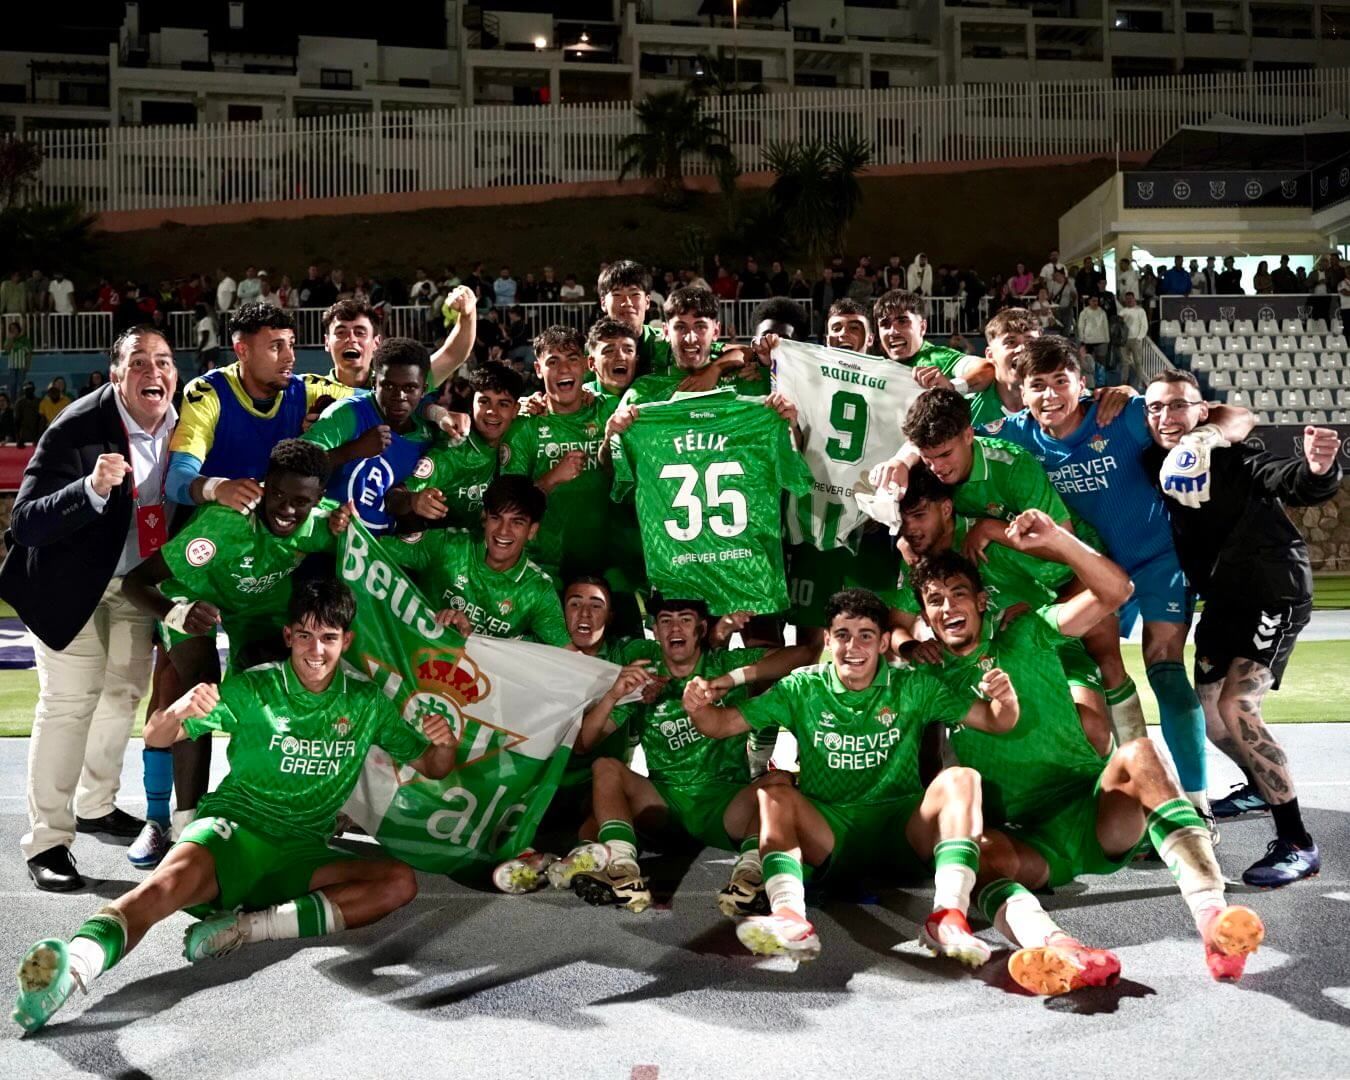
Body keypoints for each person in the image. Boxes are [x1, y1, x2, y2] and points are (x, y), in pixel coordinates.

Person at [12, 579, 457, 1034]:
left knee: (398, 883)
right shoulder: (252, 689)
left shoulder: (366, 703)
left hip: (303, 845)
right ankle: (68, 973)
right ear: (289, 637)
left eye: (328, 637)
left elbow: (433, 765)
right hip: (234, 828)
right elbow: (157, 738)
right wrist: (176, 711)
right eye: (305, 635)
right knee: (159, 891)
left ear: (346, 640)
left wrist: (444, 745)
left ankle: (248, 928)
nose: (316, 650)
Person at [913, 541, 1265, 993]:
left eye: (959, 593)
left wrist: (1055, 540)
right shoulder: (928, 679)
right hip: (1024, 838)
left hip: (1091, 810)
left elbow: (1116, 591)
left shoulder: (1030, 632)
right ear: (925, 617)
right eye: (935, 601)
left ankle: (1212, 917)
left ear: (982, 601)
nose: (948, 607)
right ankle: (1060, 948)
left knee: (1138, 753)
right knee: (977, 852)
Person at [985, 337, 1256, 823]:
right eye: (1037, 387)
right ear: (1020, 393)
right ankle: (1131, 791)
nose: (1049, 396)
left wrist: (1199, 438)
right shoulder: (1014, 435)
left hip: (1156, 561)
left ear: (1082, 383)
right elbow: (950, 441)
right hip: (1088, 573)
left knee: (1164, 667)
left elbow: (1236, 416)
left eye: (1060, 383)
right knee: (1099, 671)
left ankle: (1196, 804)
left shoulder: (1122, 414)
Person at [682, 588, 1018, 962]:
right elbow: (721, 724)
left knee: (962, 778)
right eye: (842, 635)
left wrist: (1005, 700)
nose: (852, 647)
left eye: (866, 636)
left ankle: (947, 916)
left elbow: (995, 720)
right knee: (773, 793)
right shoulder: (801, 688)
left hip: (902, 832)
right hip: (830, 836)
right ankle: (790, 916)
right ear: (827, 640)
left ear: (884, 642)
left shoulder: (914, 686)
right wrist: (697, 708)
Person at [1144, 371, 1342, 886]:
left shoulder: (1232, 455)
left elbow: (1286, 477)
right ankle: (1260, 784)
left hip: (1272, 589)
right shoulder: (1152, 460)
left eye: (1178, 407)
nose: (1166, 418)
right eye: (1156, 408)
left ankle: (1298, 841)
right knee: (1210, 717)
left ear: (1201, 411)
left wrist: (1319, 468)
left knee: (1238, 705)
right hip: (1223, 601)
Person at [0, 326, 178, 891]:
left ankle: (96, 803)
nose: (155, 371)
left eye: (165, 361)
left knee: (124, 692)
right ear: (117, 376)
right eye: (140, 362)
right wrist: (92, 489)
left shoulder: (187, 425)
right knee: (69, 703)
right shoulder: (78, 423)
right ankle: (48, 842)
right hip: (66, 584)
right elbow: (23, 522)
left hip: (133, 582)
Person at [121, 439, 350, 863]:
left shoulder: (324, 523)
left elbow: (370, 550)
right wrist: (174, 614)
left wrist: (352, 523)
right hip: (192, 600)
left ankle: (272, 810)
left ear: (319, 500)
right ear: (265, 484)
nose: (286, 509)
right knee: (200, 688)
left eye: (301, 501)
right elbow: (134, 583)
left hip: (259, 612)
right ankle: (183, 824)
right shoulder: (224, 523)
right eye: (277, 494)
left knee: (286, 690)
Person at [548, 596, 819, 914]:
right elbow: (584, 743)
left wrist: (733, 679)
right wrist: (614, 695)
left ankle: (750, 876)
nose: (675, 628)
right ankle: (622, 870)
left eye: (685, 620)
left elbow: (801, 655)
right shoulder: (646, 677)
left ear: (701, 629)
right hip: (665, 805)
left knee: (778, 781)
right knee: (605, 768)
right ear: (656, 631)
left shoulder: (721, 665)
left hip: (724, 806)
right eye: (665, 621)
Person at [166, 303, 353, 512]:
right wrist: (217, 488)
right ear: (243, 351)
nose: (290, 357)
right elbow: (177, 478)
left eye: (291, 345)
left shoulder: (308, 389)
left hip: (279, 526)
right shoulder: (208, 393)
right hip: (217, 529)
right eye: (276, 347)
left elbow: (377, 401)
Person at [380, 475, 569, 646]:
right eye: (496, 518)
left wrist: (473, 637)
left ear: (532, 531)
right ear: (484, 518)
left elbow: (569, 658)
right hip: (413, 660)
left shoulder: (538, 591)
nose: (503, 531)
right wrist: (349, 523)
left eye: (517, 522)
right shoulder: (448, 545)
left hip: (478, 681)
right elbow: (372, 547)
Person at [303, 338, 441, 533]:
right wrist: (352, 450)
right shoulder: (347, 414)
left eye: (409, 388)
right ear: (374, 382)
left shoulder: (427, 436)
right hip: (329, 546)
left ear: (423, 390)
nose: (399, 396)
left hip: (385, 556)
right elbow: (296, 467)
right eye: (389, 386)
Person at [391, 363, 530, 532]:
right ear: (472, 403)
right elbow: (393, 497)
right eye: (484, 401)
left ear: (516, 409)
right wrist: (413, 500)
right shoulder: (452, 449)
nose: (492, 412)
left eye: (503, 404)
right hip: (452, 553)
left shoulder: (522, 430)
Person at [871, 289, 996, 419]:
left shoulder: (938, 357)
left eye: (902, 321)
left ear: (922, 327)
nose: (893, 331)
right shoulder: (878, 367)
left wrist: (952, 387)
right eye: (885, 324)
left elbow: (987, 369)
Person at [1076, 295, 1112, 388]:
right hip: (1089, 342)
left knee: (1101, 365)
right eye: (1093, 301)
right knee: (1090, 365)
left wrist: (1107, 340)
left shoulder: (1102, 312)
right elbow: (1080, 326)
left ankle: (1102, 384)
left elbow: (1105, 326)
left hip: (1102, 341)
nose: (1095, 303)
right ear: (1089, 302)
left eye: (1097, 301)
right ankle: (1091, 385)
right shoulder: (1084, 312)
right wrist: (1082, 339)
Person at [1118, 292, 1149, 386]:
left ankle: (1139, 382)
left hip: (1135, 339)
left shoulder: (1140, 311)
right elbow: (1118, 327)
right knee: (1125, 362)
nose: (1129, 301)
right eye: (1127, 299)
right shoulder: (1122, 312)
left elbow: (1144, 325)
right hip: (1124, 340)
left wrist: (1139, 337)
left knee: (1138, 362)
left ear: (1134, 299)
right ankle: (1124, 381)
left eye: (1130, 299)